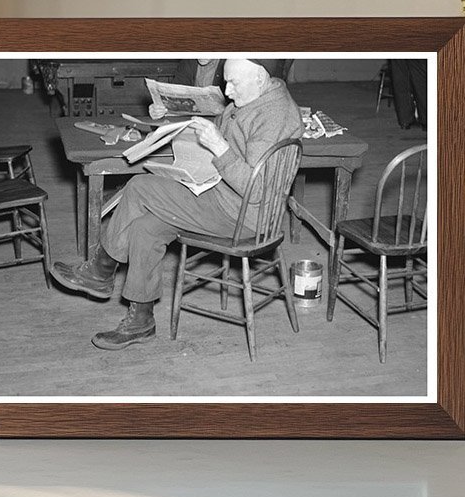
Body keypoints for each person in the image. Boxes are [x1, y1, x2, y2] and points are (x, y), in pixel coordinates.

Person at [51, 59, 304, 350]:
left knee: (139, 188)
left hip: (244, 215)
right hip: (224, 195)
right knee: (145, 228)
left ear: (260, 77)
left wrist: (219, 147)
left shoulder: (274, 115)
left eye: (234, 83)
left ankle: (101, 269)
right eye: (227, 81)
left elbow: (256, 190)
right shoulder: (256, 95)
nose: (227, 90)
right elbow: (233, 141)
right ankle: (141, 321)